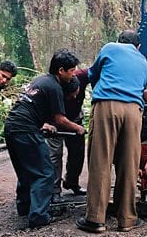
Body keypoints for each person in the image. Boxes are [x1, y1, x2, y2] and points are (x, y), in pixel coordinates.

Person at [76, 30, 147, 233]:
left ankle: (95, 220)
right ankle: (127, 219)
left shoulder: (110, 48)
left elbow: (92, 74)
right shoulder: (143, 60)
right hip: (134, 111)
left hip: (108, 106)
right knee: (129, 164)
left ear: (119, 41)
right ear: (138, 47)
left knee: (101, 161)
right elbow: (143, 86)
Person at [4, 49, 86, 228]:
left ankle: (24, 207)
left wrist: (42, 125)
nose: (73, 74)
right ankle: (39, 216)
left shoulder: (40, 80)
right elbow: (60, 119)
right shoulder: (55, 87)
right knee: (45, 172)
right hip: (25, 129)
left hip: (12, 125)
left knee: (26, 170)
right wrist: (78, 128)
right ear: (61, 70)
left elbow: (31, 106)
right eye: (71, 71)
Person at [48, 68, 90, 203]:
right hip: (55, 120)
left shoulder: (83, 76)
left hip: (75, 117)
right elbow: (57, 118)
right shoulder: (53, 88)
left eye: (77, 94)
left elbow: (99, 71)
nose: (74, 97)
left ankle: (72, 182)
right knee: (55, 154)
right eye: (71, 96)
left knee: (77, 153)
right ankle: (55, 191)